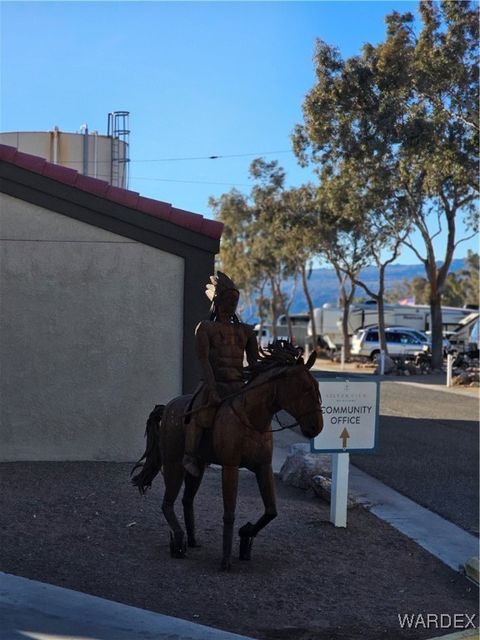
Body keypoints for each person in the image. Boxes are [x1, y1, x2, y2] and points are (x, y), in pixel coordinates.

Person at [183, 271, 259, 476]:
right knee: (197, 412)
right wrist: (212, 386)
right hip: (213, 382)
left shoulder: (246, 331)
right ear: (218, 301)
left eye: (235, 299)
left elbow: (254, 363)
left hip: (237, 384)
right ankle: (190, 454)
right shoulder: (205, 328)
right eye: (228, 299)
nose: (232, 303)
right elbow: (203, 359)